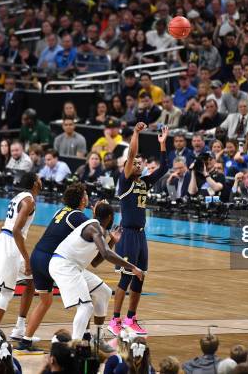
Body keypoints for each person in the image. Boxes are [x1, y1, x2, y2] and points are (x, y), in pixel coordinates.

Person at [50, 201, 144, 340]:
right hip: (64, 266)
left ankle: (98, 339)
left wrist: (113, 241)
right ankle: (75, 346)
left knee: (104, 292)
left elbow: (95, 262)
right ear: (111, 217)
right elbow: (106, 254)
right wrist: (132, 267)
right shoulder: (94, 228)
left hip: (74, 267)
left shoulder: (98, 229)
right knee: (86, 307)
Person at [109, 123, 169, 336]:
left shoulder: (144, 182)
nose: (137, 164)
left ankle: (131, 318)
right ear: (126, 166)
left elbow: (164, 168)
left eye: (139, 163)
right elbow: (133, 151)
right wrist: (136, 133)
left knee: (140, 277)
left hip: (141, 235)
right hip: (127, 234)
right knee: (125, 278)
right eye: (133, 163)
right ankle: (114, 320)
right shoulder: (124, 182)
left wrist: (162, 145)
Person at [16, 184, 90, 353]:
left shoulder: (61, 211)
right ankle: (84, 338)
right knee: (84, 296)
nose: (87, 197)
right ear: (81, 199)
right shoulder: (78, 216)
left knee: (45, 301)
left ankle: (25, 342)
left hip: (37, 256)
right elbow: (96, 231)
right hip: (51, 260)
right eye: (85, 195)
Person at [0, 173, 42, 346]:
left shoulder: (18, 197)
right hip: (11, 243)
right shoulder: (29, 201)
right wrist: (27, 258)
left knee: (31, 281)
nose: (41, 181)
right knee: (7, 291)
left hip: (6, 241)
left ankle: (20, 327)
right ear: (34, 183)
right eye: (38, 178)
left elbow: (7, 226)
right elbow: (16, 230)